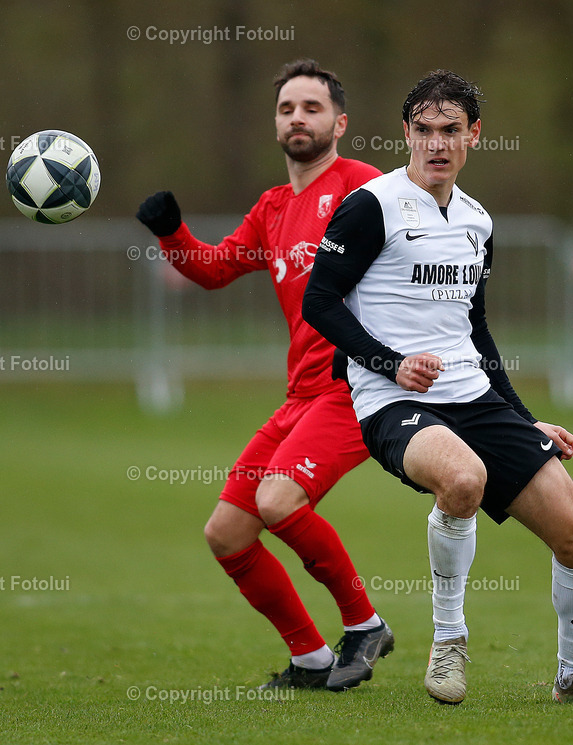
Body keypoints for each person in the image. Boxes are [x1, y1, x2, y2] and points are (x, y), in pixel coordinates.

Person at [302, 69, 573, 705]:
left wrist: (524, 417)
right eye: (424, 129)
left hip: (474, 397)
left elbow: (474, 328)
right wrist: (389, 363)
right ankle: (449, 640)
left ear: (474, 134)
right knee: (462, 480)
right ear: (407, 133)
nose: (436, 143)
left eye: (450, 129)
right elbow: (318, 300)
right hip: (393, 400)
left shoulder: (477, 220)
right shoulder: (372, 205)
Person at [136, 59, 393, 692]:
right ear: (275, 124)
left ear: (340, 123)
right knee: (227, 534)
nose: (297, 118)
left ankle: (365, 624)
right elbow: (214, 268)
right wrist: (171, 231)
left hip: (355, 386)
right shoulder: (274, 208)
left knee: (279, 502)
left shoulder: (367, 187)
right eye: (286, 109)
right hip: (300, 395)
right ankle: (310, 658)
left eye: (312, 107)